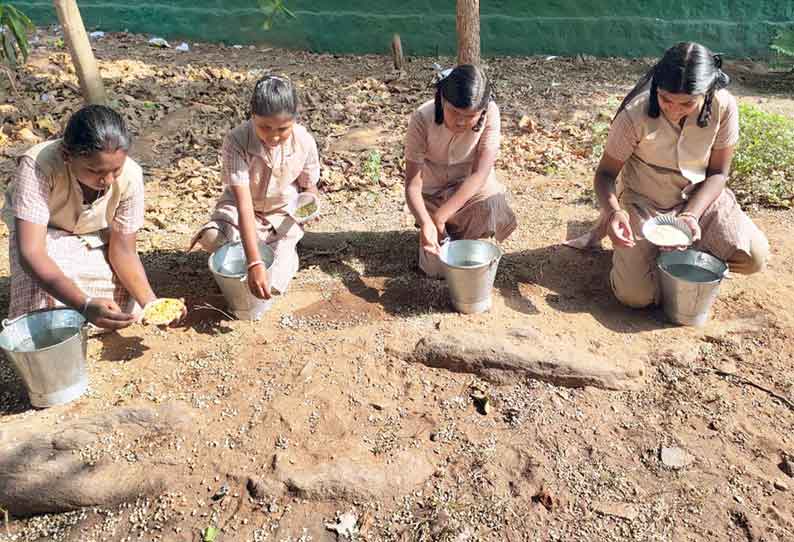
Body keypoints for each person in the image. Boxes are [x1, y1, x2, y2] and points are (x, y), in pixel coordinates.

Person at [570, 42, 769, 308]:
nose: (673, 110)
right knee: (635, 297)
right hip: (644, 200)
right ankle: (650, 258)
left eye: (687, 103)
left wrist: (690, 216)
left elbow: (718, 173)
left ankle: (674, 255)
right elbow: (605, 175)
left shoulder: (724, 106)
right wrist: (616, 213)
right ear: (656, 87)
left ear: (707, 92)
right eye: (665, 99)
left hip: (699, 199)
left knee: (753, 257)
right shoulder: (635, 113)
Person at [3, 105, 163, 329]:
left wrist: (153, 304)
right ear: (67, 155)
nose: (107, 180)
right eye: (95, 171)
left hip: (89, 236)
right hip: (41, 235)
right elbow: (31, 252)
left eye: (115, 170)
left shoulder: (131, 175)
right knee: (39, 290)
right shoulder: (39, 165)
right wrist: (84, 304)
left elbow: (124, 251)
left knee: (121, 305)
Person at [190, 75, 320, 299]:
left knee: (275, 280)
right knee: (212, 238)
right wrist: (254, 262)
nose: (274, 136)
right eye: (265, 127)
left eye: (283, 128)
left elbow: (310, 187)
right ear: (252, 116)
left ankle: (277, 248)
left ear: (295, 120)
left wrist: (309, 203)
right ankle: (257, 250)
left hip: (282, 212)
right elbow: (244, 206)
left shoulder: (304, 141)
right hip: (238, 209)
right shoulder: (236, 141)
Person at [404, 64, 517, 277]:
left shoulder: (491, 113)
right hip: (432, 194)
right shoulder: (421, 118)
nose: (461, 121)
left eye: (471, 115)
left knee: (492, 200)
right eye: (454, 112)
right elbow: (412, 184)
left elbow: (479, 174)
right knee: (435, 271)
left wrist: (441, 217)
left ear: (482, 111)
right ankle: (439, 232)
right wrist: (428, 221)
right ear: (442, 99)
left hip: (467, 193)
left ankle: (458, 231)